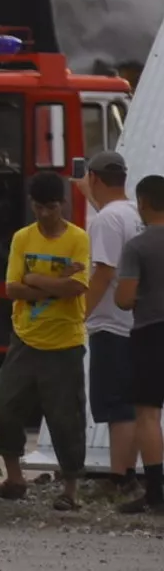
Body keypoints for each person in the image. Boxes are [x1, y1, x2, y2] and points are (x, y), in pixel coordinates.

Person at [0, 170, 89, 510]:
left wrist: (35, 279)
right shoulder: (22, 238)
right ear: (31, 204)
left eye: (51, 207)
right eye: (39, 207)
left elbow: (78, 286)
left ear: (62, 204)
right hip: (25, 339)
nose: (44, 214)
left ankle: (70, 490)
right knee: (2, 410)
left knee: (65, 419)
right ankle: (15, 479)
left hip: (65, 342)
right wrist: (56, 283)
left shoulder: (78, 239)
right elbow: (12, 288)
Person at [83, 150, 143, 501]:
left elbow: (103, 273)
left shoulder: (105, 220)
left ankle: (120, 478)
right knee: (131, 404)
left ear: (93, 177)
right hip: (135, 322)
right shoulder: (135, 213)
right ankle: (129, 473)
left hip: (111, 324)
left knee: (116, 405)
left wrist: (79, 315)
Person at [113, 173, 164, 515]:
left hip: (151, 334)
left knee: (148, 414)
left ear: (142, 202)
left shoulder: (138, 246)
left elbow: (124, 298)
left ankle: (155, 494)